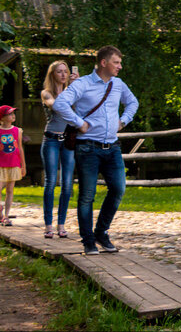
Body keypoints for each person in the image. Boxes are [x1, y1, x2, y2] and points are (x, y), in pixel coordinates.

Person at [53, 45, 137, 256]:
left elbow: (133, 103)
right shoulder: (83, 84)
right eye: (116, 62)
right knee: (87, 196)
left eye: (120, 62)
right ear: (103, 63)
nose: (120, 66)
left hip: (112, 146)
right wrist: (79, 122)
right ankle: (88, 241)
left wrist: (123, 121)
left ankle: (101, 232)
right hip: (88, 147)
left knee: (118, 189)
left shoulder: (118, 84)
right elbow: (61, 103)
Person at [40, 60, 78, 238]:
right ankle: (48, 224)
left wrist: (76, 88)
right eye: (59, 72)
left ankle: (61, 224)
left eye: (65, 71)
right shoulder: (46, 93)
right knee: (50, 182)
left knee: (67, 184)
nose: (63, 75)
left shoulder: (73, 92)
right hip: (52, 140)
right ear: (52, 74)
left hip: (68, 141)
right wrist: (72, 90)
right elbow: (56, 106)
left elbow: (82, 110)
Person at [0, 105, 25, 225]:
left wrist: (23, 166)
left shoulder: (17, 130)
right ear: (1, 118)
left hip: (14, 164)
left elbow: (20, 148)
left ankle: (6, 215)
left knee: (10, 190)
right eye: (9, 114)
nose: (13, 115)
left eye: (13, 113)